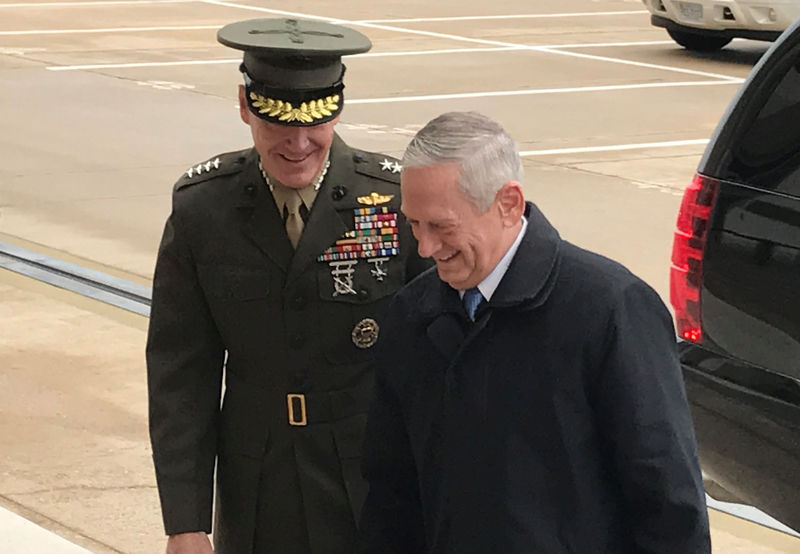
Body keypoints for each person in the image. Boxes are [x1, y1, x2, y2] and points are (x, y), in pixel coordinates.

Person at [359, 111, 711, 553]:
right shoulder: (414, 314)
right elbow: (391, 492)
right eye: (413, 224)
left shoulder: (610, 309)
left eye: (441, 227)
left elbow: (667, 499)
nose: (426, 249)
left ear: (508, 203)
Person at [146, 17, 431, 554]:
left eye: (315, 125)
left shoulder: (394, 201)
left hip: (372, 476)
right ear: (245, 105)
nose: (299, 144)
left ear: (338, 108)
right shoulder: (203, 209)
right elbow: (181, 373)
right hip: (259, 483)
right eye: (279, 124)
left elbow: (437, 359)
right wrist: (186, 521)